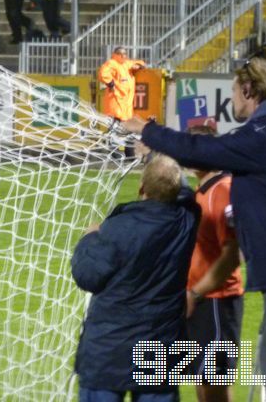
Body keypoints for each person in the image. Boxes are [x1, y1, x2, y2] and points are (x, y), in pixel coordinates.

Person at [122, 58, 266, 402]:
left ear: (248, 89)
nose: (233, 101)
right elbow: (205, 156)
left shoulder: (265, 132)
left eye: (234, 92)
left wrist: (148, 131)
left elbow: (204, 150)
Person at [71, 153, 199, 402]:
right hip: (160, 351)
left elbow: (87, 277)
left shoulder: (115, 228)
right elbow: (183, 191)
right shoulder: (187, 220)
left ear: (141, 188)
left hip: (108, 351)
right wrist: (160, 156)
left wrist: (89, 238)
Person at [183, 124, 243, 402]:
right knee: (202, 378)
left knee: (215, 384)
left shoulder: (222, 191)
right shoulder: (203, 189)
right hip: (200, 300)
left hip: (217, 301)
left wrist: (196, 293)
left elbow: (232, 254)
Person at [98, 46, 145, 122]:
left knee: (123, 129)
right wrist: (110, 83)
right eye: (120, 53)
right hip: (116, 101)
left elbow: (140, 62)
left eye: (124, 53)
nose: (123, 55)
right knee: (115, 127)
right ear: (115, 54)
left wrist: (138, 66)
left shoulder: (126, 64)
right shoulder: (112, 63)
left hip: (125, 104)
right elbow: (103, 73)